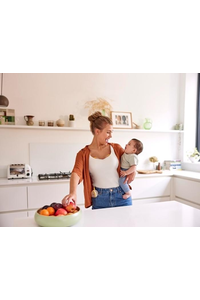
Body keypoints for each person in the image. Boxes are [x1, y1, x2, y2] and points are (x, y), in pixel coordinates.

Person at [62, 111, 136, 210]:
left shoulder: (116, 148)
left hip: (122, 196)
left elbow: (130, 159)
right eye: (108, 132)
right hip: (100, 199)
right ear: (97, 131)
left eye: (111, 132)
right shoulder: (83, 154)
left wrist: (133, 171)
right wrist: (73, 193)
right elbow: (76, 172)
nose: (111, 136)